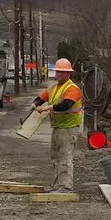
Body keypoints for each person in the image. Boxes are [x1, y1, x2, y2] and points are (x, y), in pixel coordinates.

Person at [30, 58, 83, 193]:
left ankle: (65, 187)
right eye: (57, 71)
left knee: (65, 157)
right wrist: (35, 104)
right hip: (58, 127)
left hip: (69, 128)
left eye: (61, 72)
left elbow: (66, 105)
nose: (58, 74)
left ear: (68, 74)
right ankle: (57, 186)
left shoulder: (72, 88)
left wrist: (48, 108)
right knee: (56, 157)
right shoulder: (53, 87)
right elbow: (41, 98)